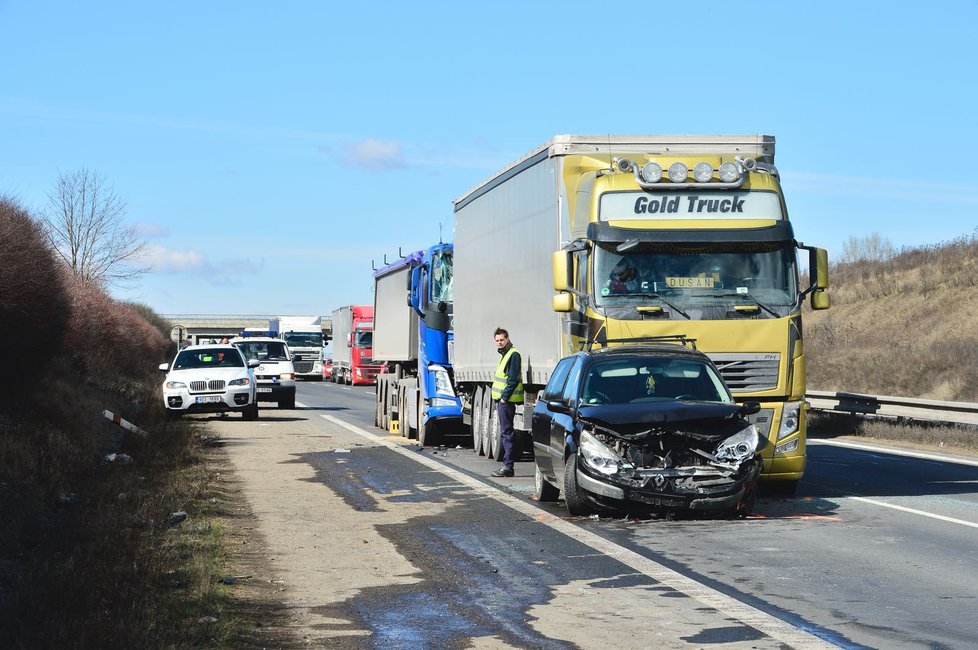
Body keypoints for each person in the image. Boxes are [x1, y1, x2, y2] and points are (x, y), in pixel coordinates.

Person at [490, 327, 523, 478]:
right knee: (506, 433)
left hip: (506, 401)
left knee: (507, 434)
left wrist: (504, 398)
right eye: (497, 340)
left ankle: (508, 466)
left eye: (502, 340)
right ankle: (507, 465)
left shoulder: (513, 355)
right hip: (504, 401)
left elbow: (512, 379)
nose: (499, 343)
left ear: (508, 338)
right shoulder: (505, 354)